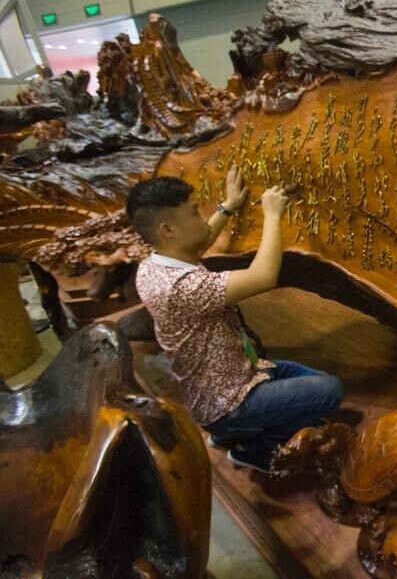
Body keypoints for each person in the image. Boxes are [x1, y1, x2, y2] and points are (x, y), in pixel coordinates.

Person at [127, 167, 343, 473]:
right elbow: (263, 277)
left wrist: (228, 205)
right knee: (329, 392)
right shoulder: (178, 287)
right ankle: (254, 450)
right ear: (168, 230)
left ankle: (231, 434)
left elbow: (199, 242)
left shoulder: (154, 265)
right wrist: (272, 214)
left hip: (238, 377)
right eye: (193, 212)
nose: (202, 217)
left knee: (304, 377)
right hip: (228, 404)